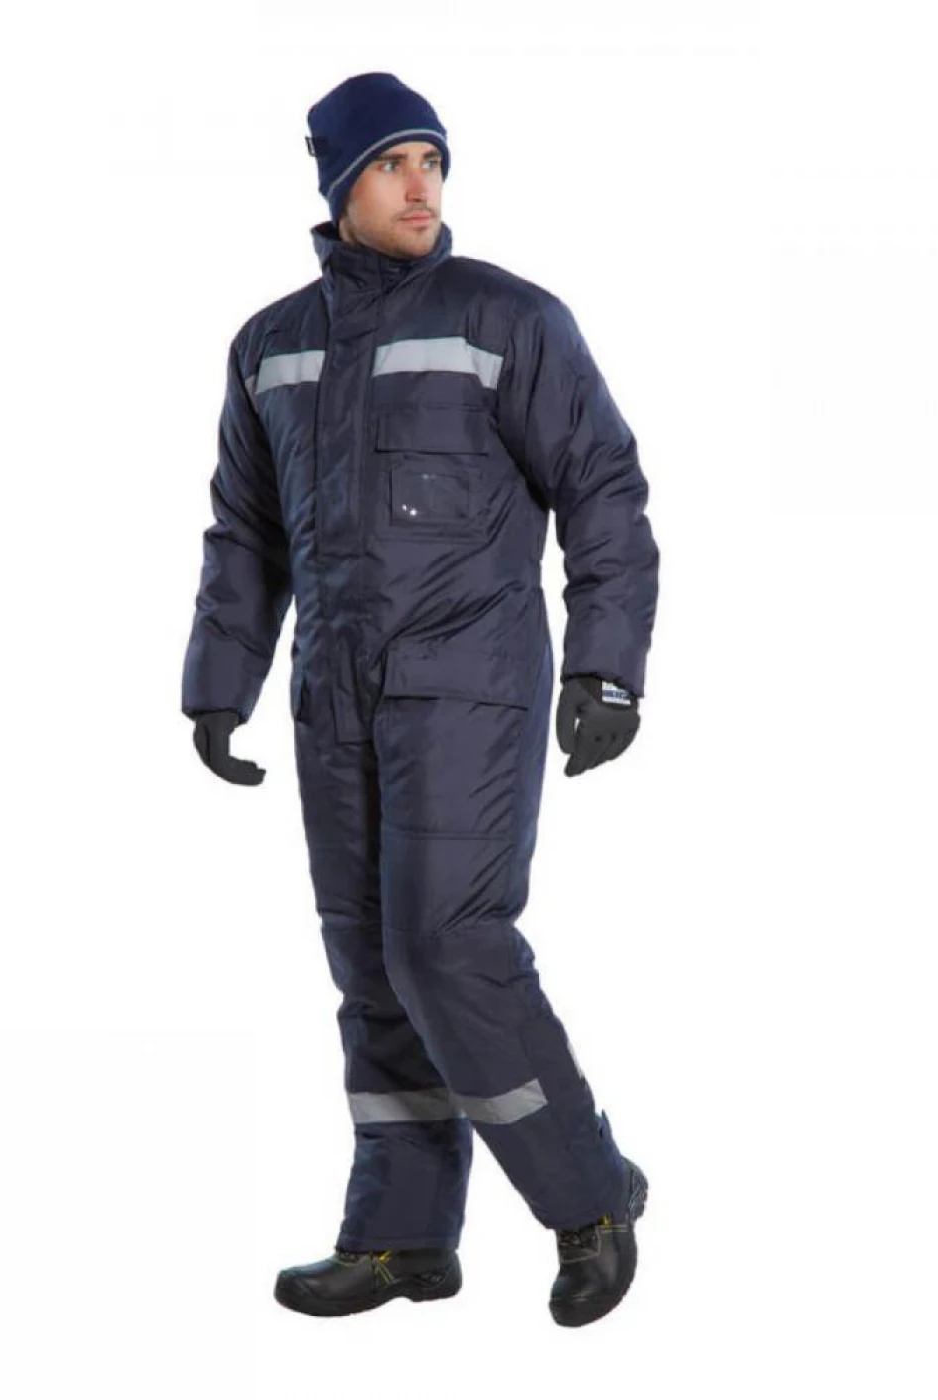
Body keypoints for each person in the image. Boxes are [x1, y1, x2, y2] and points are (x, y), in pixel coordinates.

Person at [182, 71, 659, 1327]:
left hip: (468, 686)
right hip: (332, 696)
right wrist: (218, 682)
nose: (419, 186)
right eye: (391, 164)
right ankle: (401, 1234)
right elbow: (247, 534)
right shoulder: (269, 345)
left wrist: (607, 664)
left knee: (448, 945)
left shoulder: (509, 318)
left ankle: (590, 1196)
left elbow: (602, 488)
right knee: (369, 962)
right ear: (338, 183)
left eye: (431, 162)